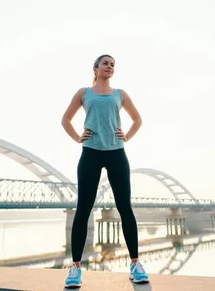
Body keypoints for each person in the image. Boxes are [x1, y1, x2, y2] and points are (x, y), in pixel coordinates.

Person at [60, 54, 149, 288]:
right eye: (105, 63)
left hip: (116, 153)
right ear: (95, 68)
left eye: (113, 64)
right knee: (83, 208)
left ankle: (135, 264)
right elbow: (65, 120)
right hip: (90, 152)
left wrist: (127, 135)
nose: (109, 67)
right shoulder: (84, 93)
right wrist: (78, 137)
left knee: (124, 207)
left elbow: (137, 119)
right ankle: (76, 268)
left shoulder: (120, 94)